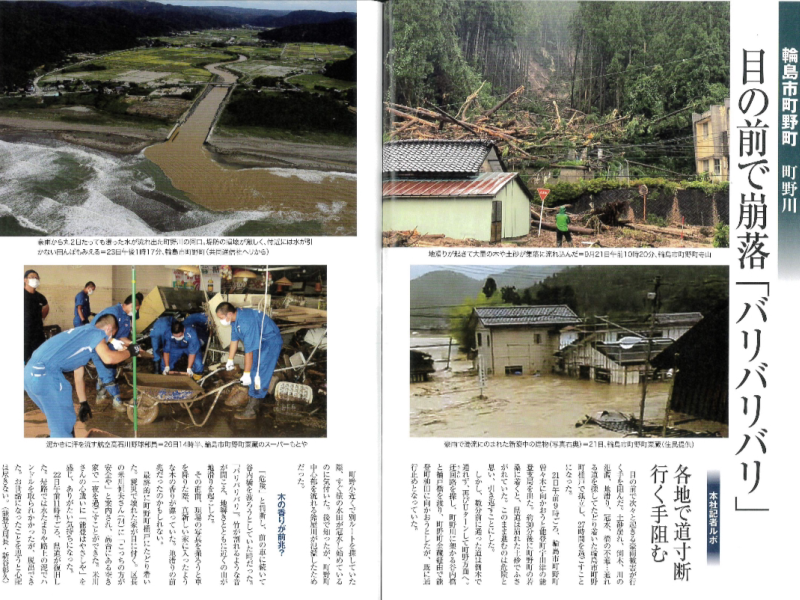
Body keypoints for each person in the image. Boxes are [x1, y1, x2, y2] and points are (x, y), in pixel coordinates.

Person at [24, 314, 142, 438]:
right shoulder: (96, 333)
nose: (108, 340)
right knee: (63, 425)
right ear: (108, 328)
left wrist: (83, 402)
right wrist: (131, 352)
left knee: (59, 420)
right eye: (112, 335)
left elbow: (78, 376)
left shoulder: (82, 335)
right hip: (45, 374)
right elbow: (108, 358)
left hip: (29, 374)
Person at [216, 302, 282, 420]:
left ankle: (251, 411)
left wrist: (246, 374)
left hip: (270, 342)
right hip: (260, 341)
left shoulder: (246, 322)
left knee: (259, 374)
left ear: (229, 314)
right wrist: (230, 360)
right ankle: (255, 405)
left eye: (221, 318)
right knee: (253, 370)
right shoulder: (235, 320)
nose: (221, 320)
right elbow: (234, 340)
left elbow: (249, 352)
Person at [90, 294, 141, 412]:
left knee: (109, 372)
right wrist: (113, 340)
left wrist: (133, 344)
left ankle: (101, 396)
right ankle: (117, 401)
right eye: (136, 309)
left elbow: (122, 337)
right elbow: (96, 330)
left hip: (112, 348)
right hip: (98, 346)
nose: (136, 312)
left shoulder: (127, 318)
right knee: (107, 373)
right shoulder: (112, 312)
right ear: (132, 305)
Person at [24, 269, 49, 364]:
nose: (35, 279)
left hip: (38, 333)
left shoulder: (40, 297)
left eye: (36, 278)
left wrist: (40, 319)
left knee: (40, 357)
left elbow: (46, 308)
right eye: (32, 277)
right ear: (25, 280)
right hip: (24, 334)